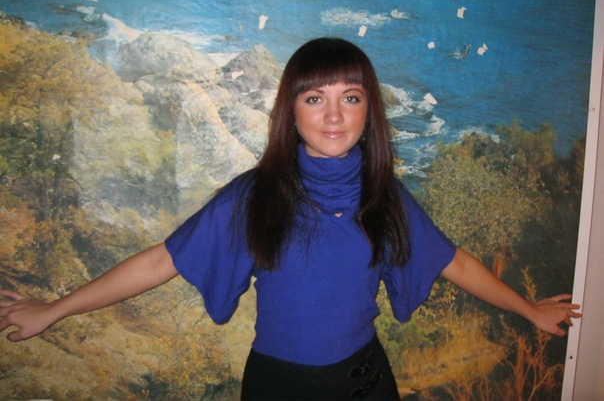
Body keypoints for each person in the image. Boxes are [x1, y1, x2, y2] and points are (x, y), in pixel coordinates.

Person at [0, 37, 581, 400]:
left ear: (368, 111)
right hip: (278, 387)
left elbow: (454, 261)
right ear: (292, 111)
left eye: (350, 97)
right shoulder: (254, 197)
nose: (334, 116)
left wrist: (528, 309)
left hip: (364, 384)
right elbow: (160, 262)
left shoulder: (386, 197)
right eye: (314, 98)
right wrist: (55, 309)